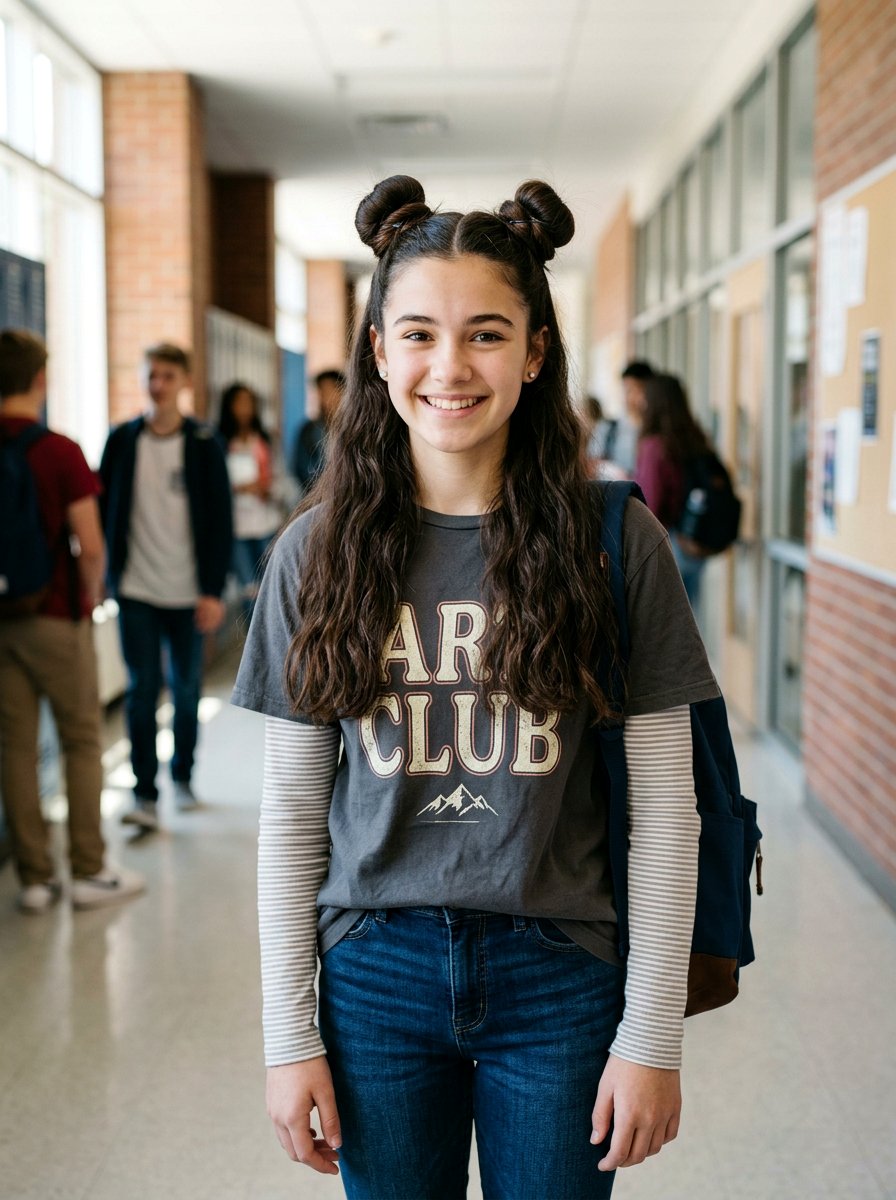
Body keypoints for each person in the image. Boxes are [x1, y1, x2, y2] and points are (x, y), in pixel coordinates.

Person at [232, 176, 719, 1199]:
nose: (448, 367)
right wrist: (287, 1036)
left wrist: (651, 1033)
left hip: (561, 972)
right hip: (372, 974)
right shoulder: (316, 552)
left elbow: (666, 813)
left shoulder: (614, 540)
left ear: (536, 352)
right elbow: (288, 814)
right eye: (416, 333)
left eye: (486, 334)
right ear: (377, 352)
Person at [0, 329, 144, 912]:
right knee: (82, 739)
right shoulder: (57, 450)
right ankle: (87, 869)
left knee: (14, 747)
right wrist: (88, 604)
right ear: (39, 379)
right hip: (55, 617)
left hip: (2, 622)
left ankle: (34, 879)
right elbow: (90, 542)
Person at [99, 342, 233, 830]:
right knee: (140, 690)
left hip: (190, 591)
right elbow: (102, 512)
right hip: (135, 588)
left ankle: (182, 776)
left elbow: (221, 520)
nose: (158, 384)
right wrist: (103, 578)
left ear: (184, 382)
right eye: (151, 375)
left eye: (168, 376)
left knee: (186, 688)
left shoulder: (203, 443)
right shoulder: (121, 441)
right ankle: (144, 791)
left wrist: (213, 591)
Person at [634, 372, 712, 606]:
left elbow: (650, 506)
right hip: (693, 541)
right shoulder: (695, 438)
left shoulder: (654, 446)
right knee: (689, 621)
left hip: (670, 546)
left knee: (664, 628)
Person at [217, 381, 281, 620]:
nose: (245, 408)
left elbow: (280, 479)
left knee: (269, 586)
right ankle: (254, 641)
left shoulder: (264, 440)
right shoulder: (221, 442)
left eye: (249, 402)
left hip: (264, 522)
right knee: (249, 589)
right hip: (237, 528)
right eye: (239, 403)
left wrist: (266, 488)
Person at [292, 369, 345, 490]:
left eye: (330, 390)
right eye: (321, 392)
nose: (325, 398)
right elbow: (301, 468)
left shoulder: (354, 427)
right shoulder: (307, 431)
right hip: (316, 496)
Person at [609, 359, 655, 476]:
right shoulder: (611, 428)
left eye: (632, 390)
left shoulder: (659, 431)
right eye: (625, 390)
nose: (627, 396)